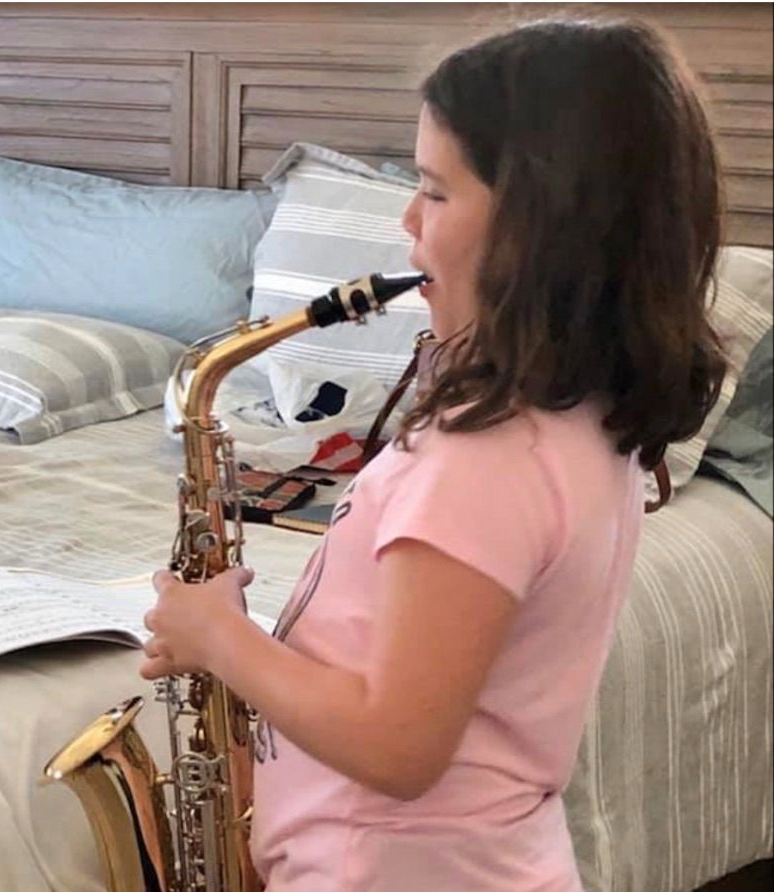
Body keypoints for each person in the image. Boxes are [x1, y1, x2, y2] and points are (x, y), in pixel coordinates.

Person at [140, 17, 726, 892]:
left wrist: (221, 638)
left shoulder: (483, 459)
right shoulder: (583, 426)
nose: (407, 222)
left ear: (543, 226)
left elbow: (396, 744)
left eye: (435, 192)